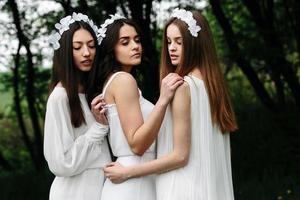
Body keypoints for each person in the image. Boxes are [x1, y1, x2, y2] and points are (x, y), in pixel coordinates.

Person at [103, 9, 238, 200]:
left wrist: (127, 172)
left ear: (195, 44)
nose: (171, 48)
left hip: (180, 187)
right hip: (208, 188)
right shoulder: (213, 88)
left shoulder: (183, 87)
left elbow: (180, 156)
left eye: (179, 42)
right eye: (168, 42)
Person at [86, 14, 183, 200]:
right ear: (111, 49)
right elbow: (137, 144)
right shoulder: (123, 80)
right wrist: (163, 100)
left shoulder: (115, 81)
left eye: (137, 40)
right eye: (125, 42)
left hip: (134, 177)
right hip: (132, 182)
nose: (135, 46)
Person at [44, 12, 111, 200]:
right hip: (74, 191)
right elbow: (60, 163)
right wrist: (99, 128)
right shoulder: (60, 98)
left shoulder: (93, 92)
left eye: (91, 45)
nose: (87, 53)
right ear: (65, 52)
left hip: (100, 186)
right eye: (77, 47)